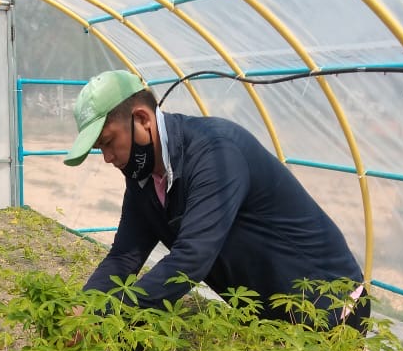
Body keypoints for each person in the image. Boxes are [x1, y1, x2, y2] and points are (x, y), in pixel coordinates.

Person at [64, 69, 369, 332]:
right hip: (270, 319)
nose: (106, 157)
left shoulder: (216, 153)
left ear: (142, 118)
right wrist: (84, 307)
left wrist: (107, 314)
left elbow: (191, 258)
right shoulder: (143, 179)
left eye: (107, 142)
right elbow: (124, 256)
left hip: (331, 310)